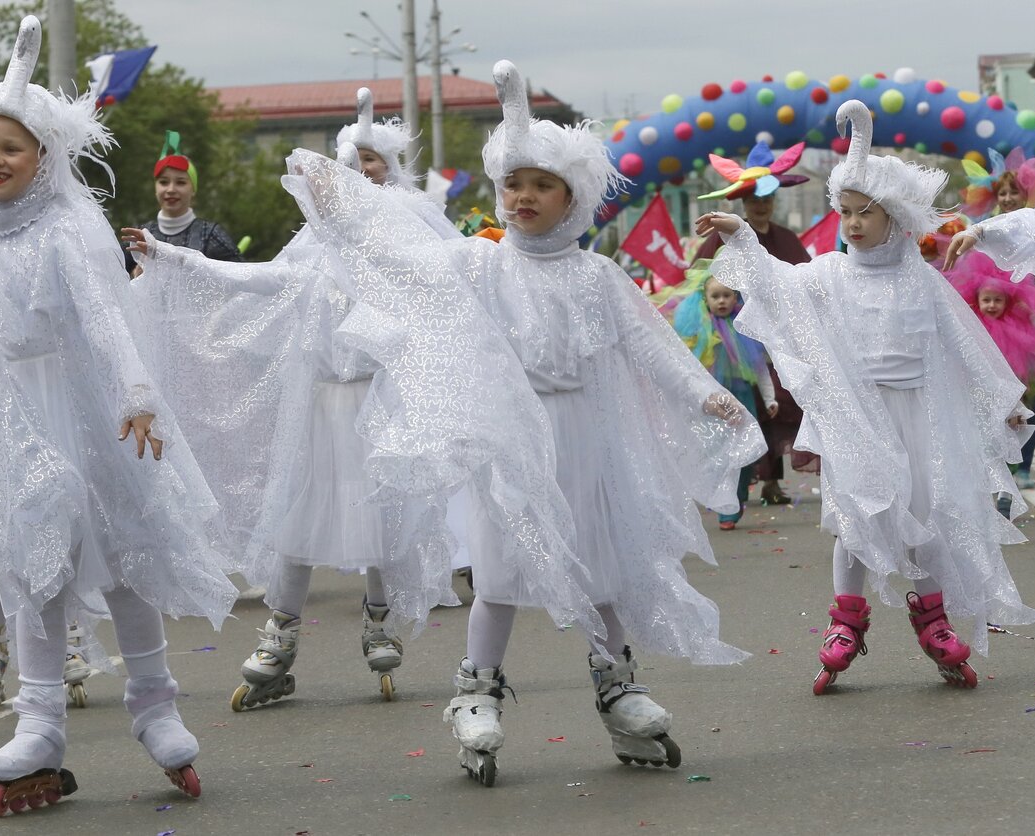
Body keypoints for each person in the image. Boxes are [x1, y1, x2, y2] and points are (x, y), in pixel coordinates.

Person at [289, 60, 763, 786]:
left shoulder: (597, 276)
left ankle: (617, 684)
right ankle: (476, 688)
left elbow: (651, 343)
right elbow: (398, 260)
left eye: (542, 185)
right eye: (513, 184)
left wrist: (707, 395)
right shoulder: (479, 266)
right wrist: (340, 208)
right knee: (502, 576)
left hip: (588, 442)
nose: (524, 197)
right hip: (513, 443)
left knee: (601, 569)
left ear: (572, 198)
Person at [0, 17, 237, 814]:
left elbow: (105, 320)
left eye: (12, 147)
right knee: (33, 564)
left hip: (88, 414)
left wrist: (136, 394)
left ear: (44, 156)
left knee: (122, 549)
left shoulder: (68, 229)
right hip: (13, 425)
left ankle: (154, 701)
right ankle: (40, 721)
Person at [125, 88, 581, 712]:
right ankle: (279, 636)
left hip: (379, 399)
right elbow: (260, 278)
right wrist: (174, 258)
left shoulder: (411, 236)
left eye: (373, 163)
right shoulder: (316, 246)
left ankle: (379, 619)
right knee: (298, 517)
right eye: (352, 164)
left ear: (389, 171)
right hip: (319, 403)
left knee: (379, 515)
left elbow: (457, 291)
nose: (360, 175)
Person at [698, 99, 1035, 696]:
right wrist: (747, 241)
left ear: (897, 217)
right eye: (846, 211)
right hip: (859, 418)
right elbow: (778, 285)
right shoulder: (829, 273)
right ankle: (846, 620)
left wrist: (998, 396)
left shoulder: (922, 280)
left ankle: (930, 617)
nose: (853, 223)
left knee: (923, 517)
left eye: (867, 212)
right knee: (858, 519)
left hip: (917, 416)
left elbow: (964, 341)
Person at [693, 140, 818, 502]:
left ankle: (772, 481)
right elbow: (703, 281)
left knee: (780, 404)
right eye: (754, 201)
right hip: (738, 337)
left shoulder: (786, 238)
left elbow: (805, 280)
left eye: (766, 200)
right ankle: (742, 477)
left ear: (773, 202)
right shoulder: (725, 235)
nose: (760, 206)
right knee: (749, 408)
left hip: (779, 337)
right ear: (743, 204)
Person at [656, 266, 777, 529]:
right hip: (712, 400)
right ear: (706, 300)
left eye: (727, 295)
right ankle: (724, 503)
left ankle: (737, 498)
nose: (721, 301)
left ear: (736, 298)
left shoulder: (744, 329)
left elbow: (760, 368)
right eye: (716, 296)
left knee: (743, 453)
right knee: (716, 452)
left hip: (742, 398)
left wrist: (770, 399)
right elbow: (686, 370)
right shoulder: (698, 331)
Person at [945, 251, 1035, 513]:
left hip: (1010, 397)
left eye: (997, 300)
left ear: (1007, 302)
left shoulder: (1014, 329)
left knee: (1009, 440)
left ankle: (1007, 490)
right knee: (982, 444)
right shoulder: (971, 325)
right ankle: (984, 491)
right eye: (986, 299)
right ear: (976, 300)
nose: (991, 305)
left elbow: (1026, 362)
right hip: (981, 396)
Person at [125, 131, 241, 275]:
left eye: (180, 182)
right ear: (155, 188)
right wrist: (136, 280)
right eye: (163, 182)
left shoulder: (211, 234)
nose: (171, 189)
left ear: (193, 189)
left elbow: (242, 280)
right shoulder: (141, 235)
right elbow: (110, 281)